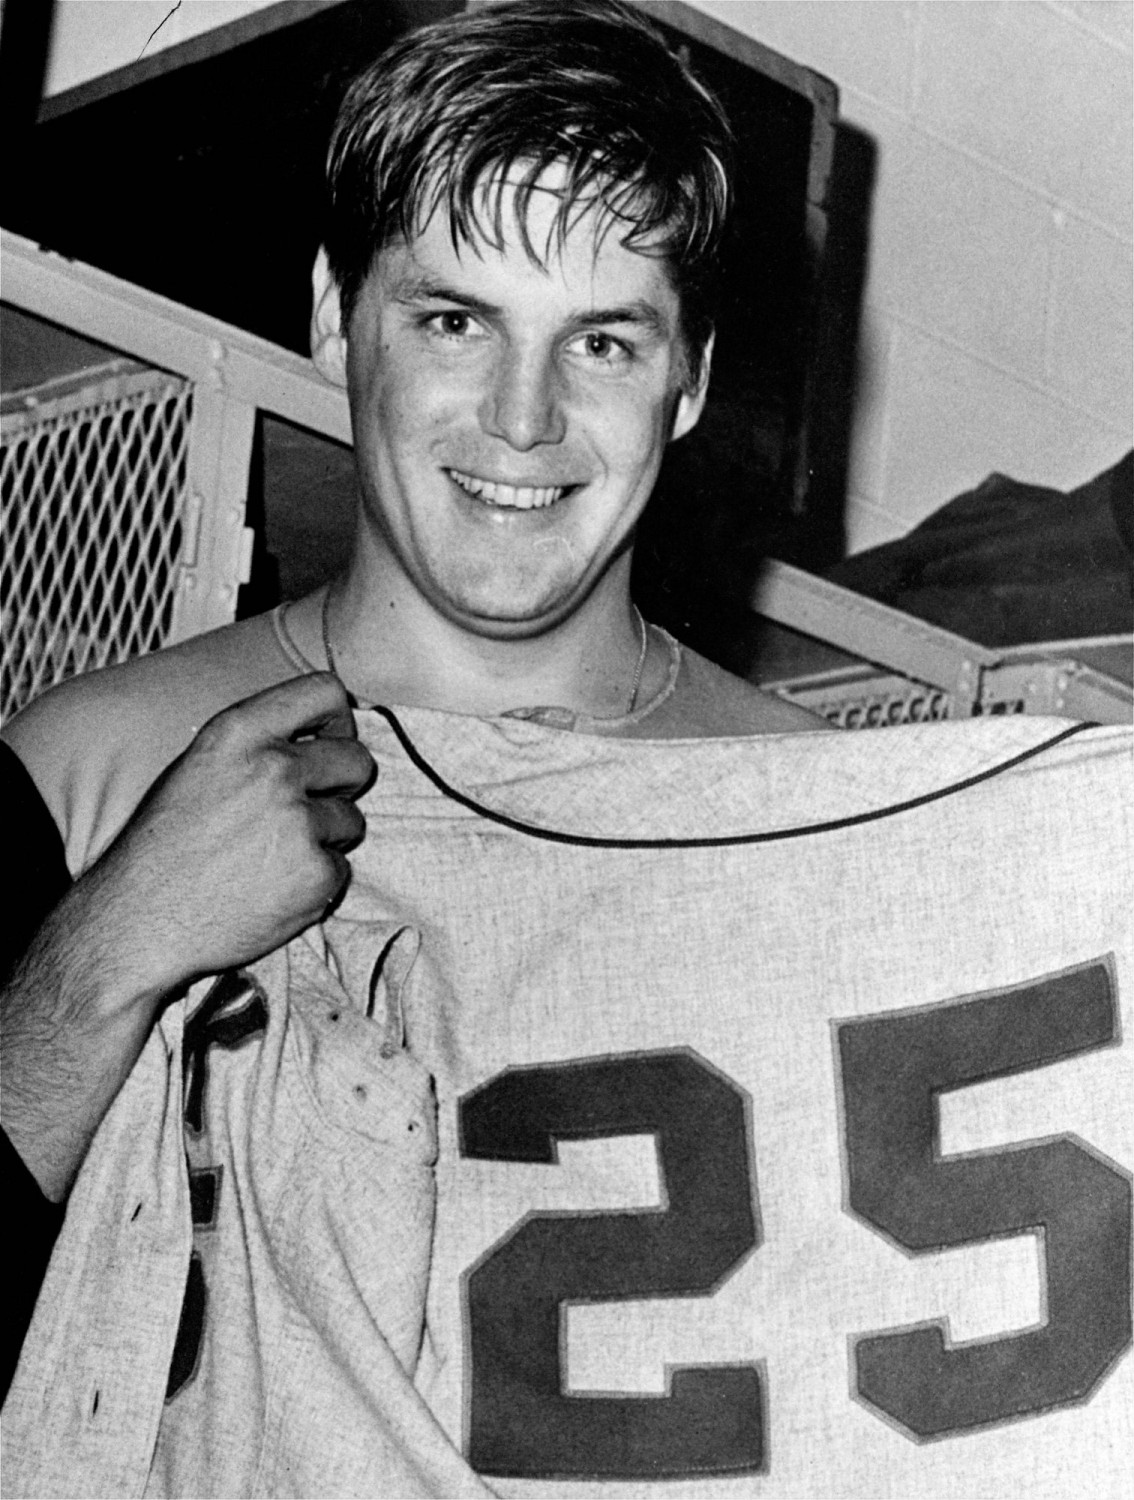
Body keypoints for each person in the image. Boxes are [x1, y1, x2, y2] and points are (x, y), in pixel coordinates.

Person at [2, 2, 1130, 1496]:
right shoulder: (87, 768)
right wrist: (106, 953)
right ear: (338, 319)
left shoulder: (807, 814)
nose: (521, 421)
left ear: (691, 380)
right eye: (453, 321)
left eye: (601, 341)